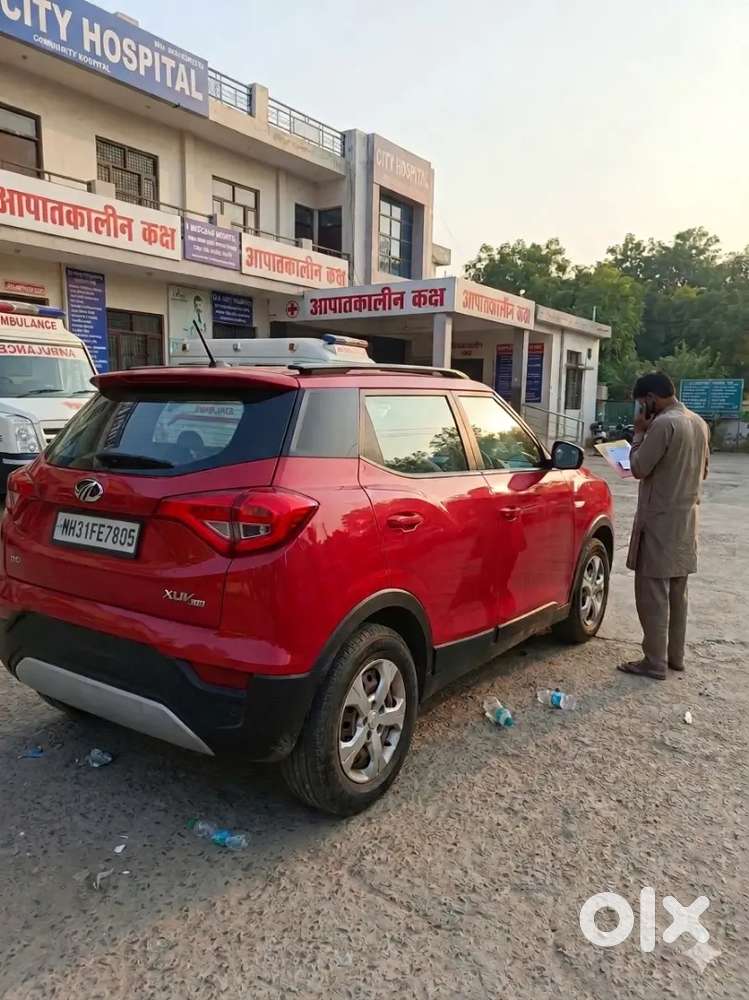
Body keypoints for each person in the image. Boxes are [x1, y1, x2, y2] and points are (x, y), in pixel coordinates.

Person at [618, 372, 710, 681]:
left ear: (649, 400)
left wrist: (638, 434)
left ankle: (654, 662)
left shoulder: (661, 425)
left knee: (652, 593)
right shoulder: (698, 423)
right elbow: (704, 471)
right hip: (686, 521)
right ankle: (675, 657)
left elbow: (639, 467)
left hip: (659, 522)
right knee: (677, 593)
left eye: (641, 404)